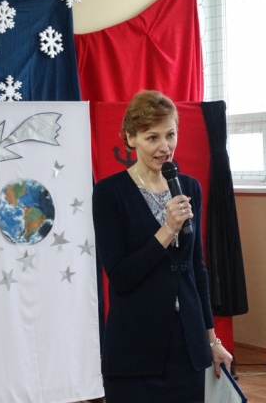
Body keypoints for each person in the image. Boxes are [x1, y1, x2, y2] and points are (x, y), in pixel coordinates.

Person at [92, 90, 233, 403]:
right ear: (130, 139)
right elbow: (121, 276)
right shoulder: (109, 193)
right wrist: (168, 229)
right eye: (152, 137)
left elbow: (196, 270)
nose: (164, 147)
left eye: (170, 135)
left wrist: (212, 341)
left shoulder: (189, 187)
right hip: (136, 347)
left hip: (188, 346)